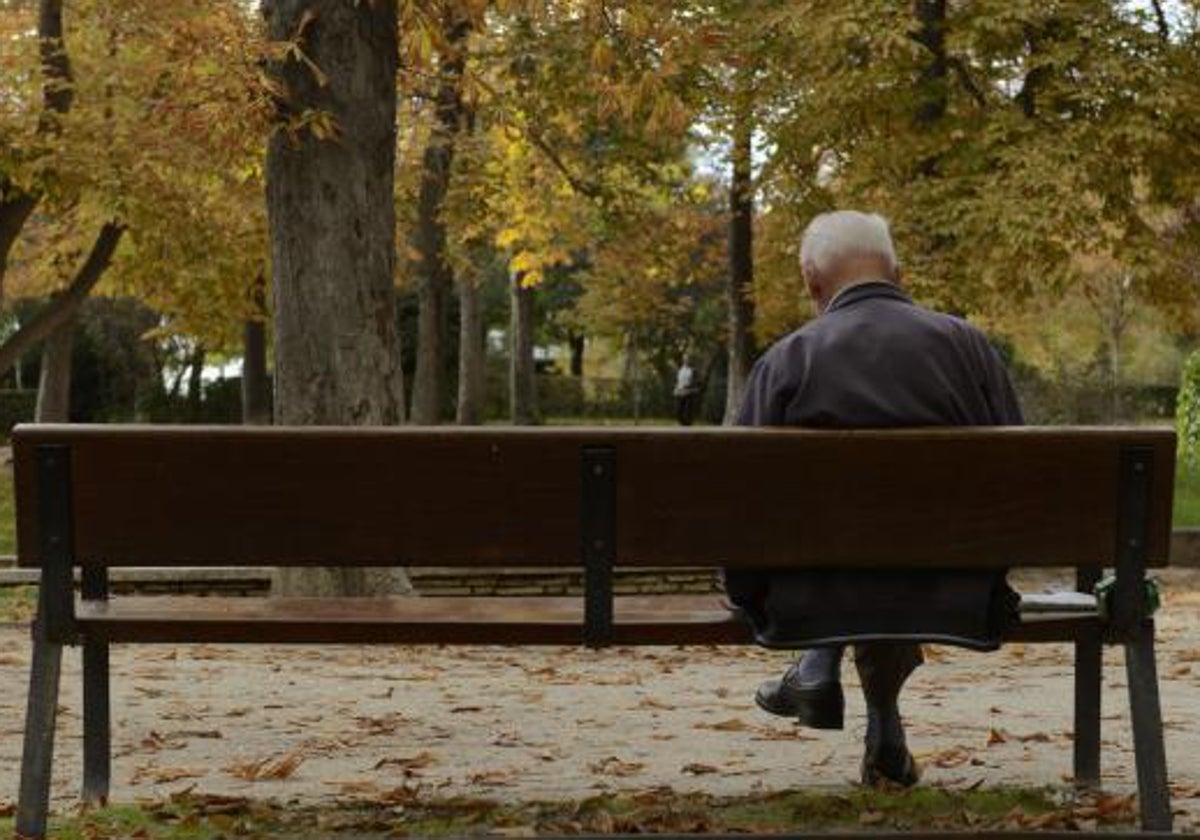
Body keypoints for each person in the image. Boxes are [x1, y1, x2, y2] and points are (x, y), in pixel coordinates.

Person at [723, 210, 1023, 788]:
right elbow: (1020, 478)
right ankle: (882, 727)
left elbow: (742, 503)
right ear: (897, 270)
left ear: (813, 283)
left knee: (855, 563)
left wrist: (749, 596)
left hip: (807, 597)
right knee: (896, 559)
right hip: (956, 592)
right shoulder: (969, 349)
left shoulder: (788, 360)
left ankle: (816, 662)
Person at [674, 355, 699, 426]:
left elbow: (696, 383)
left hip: (689, 392)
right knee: (678, 410)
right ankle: (682, 424)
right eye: (685, 359)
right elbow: (678, 381)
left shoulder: (693, 370)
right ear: (683, 360)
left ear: (690, 361)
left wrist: (692, 390)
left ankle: (688, 426)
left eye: (688, 359)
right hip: (680, 391)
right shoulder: (680, 370)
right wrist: (676, 389)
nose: (686, 361)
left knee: (688, 411)